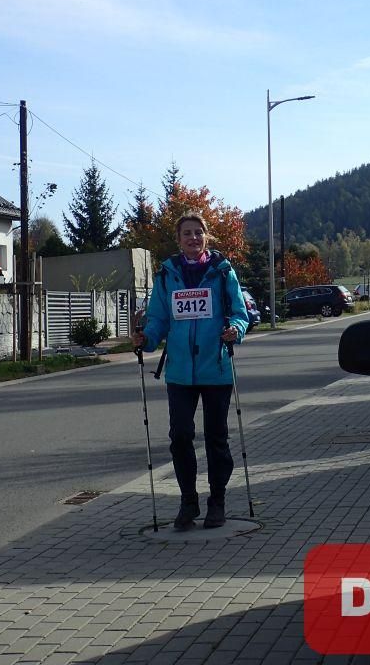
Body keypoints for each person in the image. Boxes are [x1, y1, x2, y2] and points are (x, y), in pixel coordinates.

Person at [132, 211, 249, 530]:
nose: (193, 238)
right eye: (187, 233)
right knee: (180, 436)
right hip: (180, 372)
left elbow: (240, 313)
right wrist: (146, 339)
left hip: (216, 368)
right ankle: (188, 502)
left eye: (198, 232)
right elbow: (158, 319)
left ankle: (217, 501)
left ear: (206, 236)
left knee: (216, 438)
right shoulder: (167, 275)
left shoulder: (222, 271)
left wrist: (236, 330)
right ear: (179, 239)